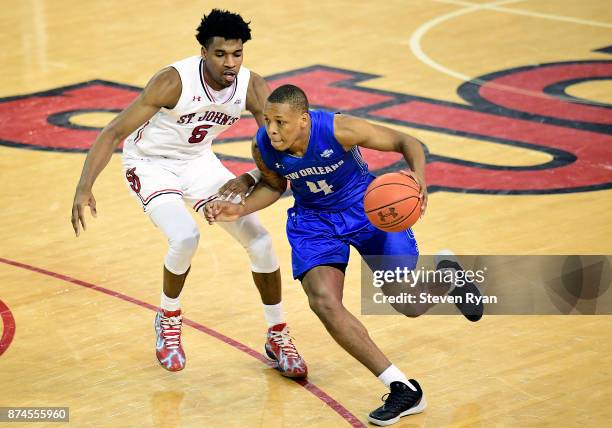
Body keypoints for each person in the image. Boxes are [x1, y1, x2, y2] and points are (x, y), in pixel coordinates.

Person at [205, 84, 482, 425]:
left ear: (304, 120)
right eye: (267, 121)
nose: (272, 130)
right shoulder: (263, 144)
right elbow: (276, 185)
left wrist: (419, 179)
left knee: (408, 305)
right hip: (315, 223)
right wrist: (240, 209)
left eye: (280, 122)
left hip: (366, 210)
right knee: (323, 302)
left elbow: (406, 142)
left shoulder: (339, 129)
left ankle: (448, 276)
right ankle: (402, 388)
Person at [70, 9, 307, 377]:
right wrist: (85, 187)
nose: (230, 63)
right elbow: (114, 132)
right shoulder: (173, 81)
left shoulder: (252, 87)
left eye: (237, 53)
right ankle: (168, 317)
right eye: (220, 54)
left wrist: (246, 178)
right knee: (184, 236)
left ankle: (277, 334)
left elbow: (276, 147)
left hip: (198, 162)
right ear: (203, 52)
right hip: (150, 163)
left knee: (260, 240)